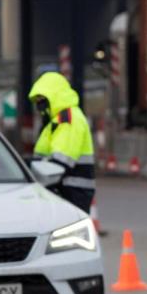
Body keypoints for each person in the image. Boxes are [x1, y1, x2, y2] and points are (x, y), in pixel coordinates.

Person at [28, 72, 95, 212]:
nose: (40, 106)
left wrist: (29, 175)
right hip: (66, 192)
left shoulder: (67, 120)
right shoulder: (55, 121)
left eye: (42, 100)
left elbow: (59, 163)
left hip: (70, 194)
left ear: (53, 97)